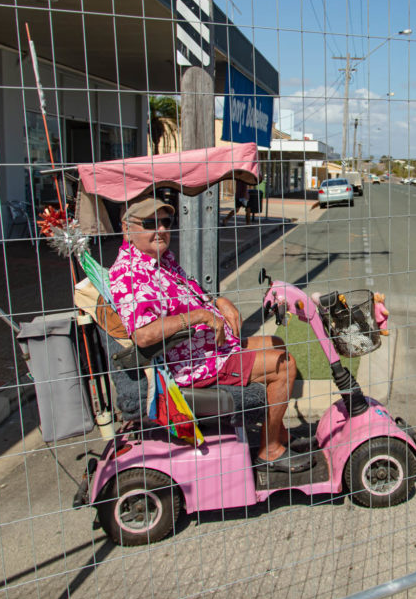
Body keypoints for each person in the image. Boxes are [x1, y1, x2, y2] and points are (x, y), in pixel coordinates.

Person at [109, 195, 311, 473]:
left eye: (166, 222)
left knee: (276, 342)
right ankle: (269, 450)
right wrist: (200, 316)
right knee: (284, 365)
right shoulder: (130, 274)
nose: (161, 230)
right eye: (150, 223)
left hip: (206, 348)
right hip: (190, 363)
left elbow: (193, 294)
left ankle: (279, 433)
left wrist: (218, 302)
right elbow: (143, 335)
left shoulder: (161, 260)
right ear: (126, 228)